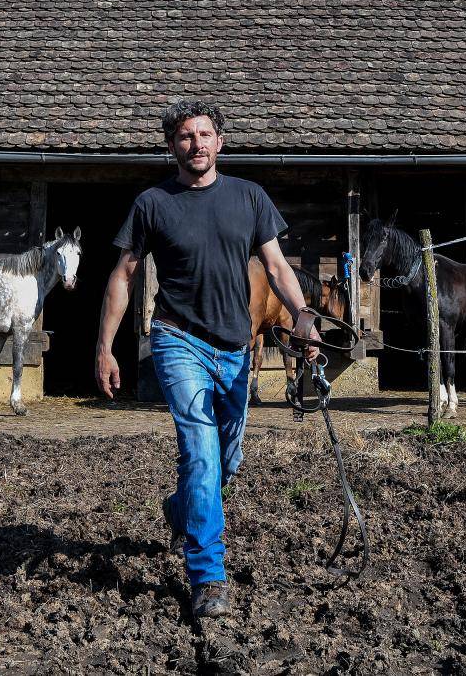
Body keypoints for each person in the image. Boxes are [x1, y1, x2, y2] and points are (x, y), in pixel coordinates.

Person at [95, 99, 320, 619]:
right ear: (171, 145)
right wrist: (105, 348)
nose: (195, 143)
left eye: (204, 134)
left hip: (236, 348)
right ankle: (208, 576)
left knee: (227, 457)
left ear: (220, 141)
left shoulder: (249, 197)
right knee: (200, 452)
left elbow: (278, 266)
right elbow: (123, 277)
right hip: (178, 340)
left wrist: (303, 315)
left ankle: (180, 510)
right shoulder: (152, 203)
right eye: (185, 136)